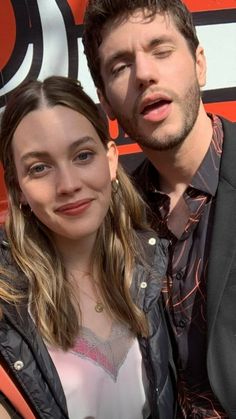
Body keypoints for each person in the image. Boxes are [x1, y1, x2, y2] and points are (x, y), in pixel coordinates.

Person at [82, 1, 236, 418]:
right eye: (119, 66)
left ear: (200, 64)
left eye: (161, 50)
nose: (145, 74)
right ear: (106, 103)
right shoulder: (108, 220)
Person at [0, 75, 175, 419]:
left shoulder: (158, 262)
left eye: (82, 155)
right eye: (39, 167)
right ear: (18, 187)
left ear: (110, 159)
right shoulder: (7, 303)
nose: (68, 185)